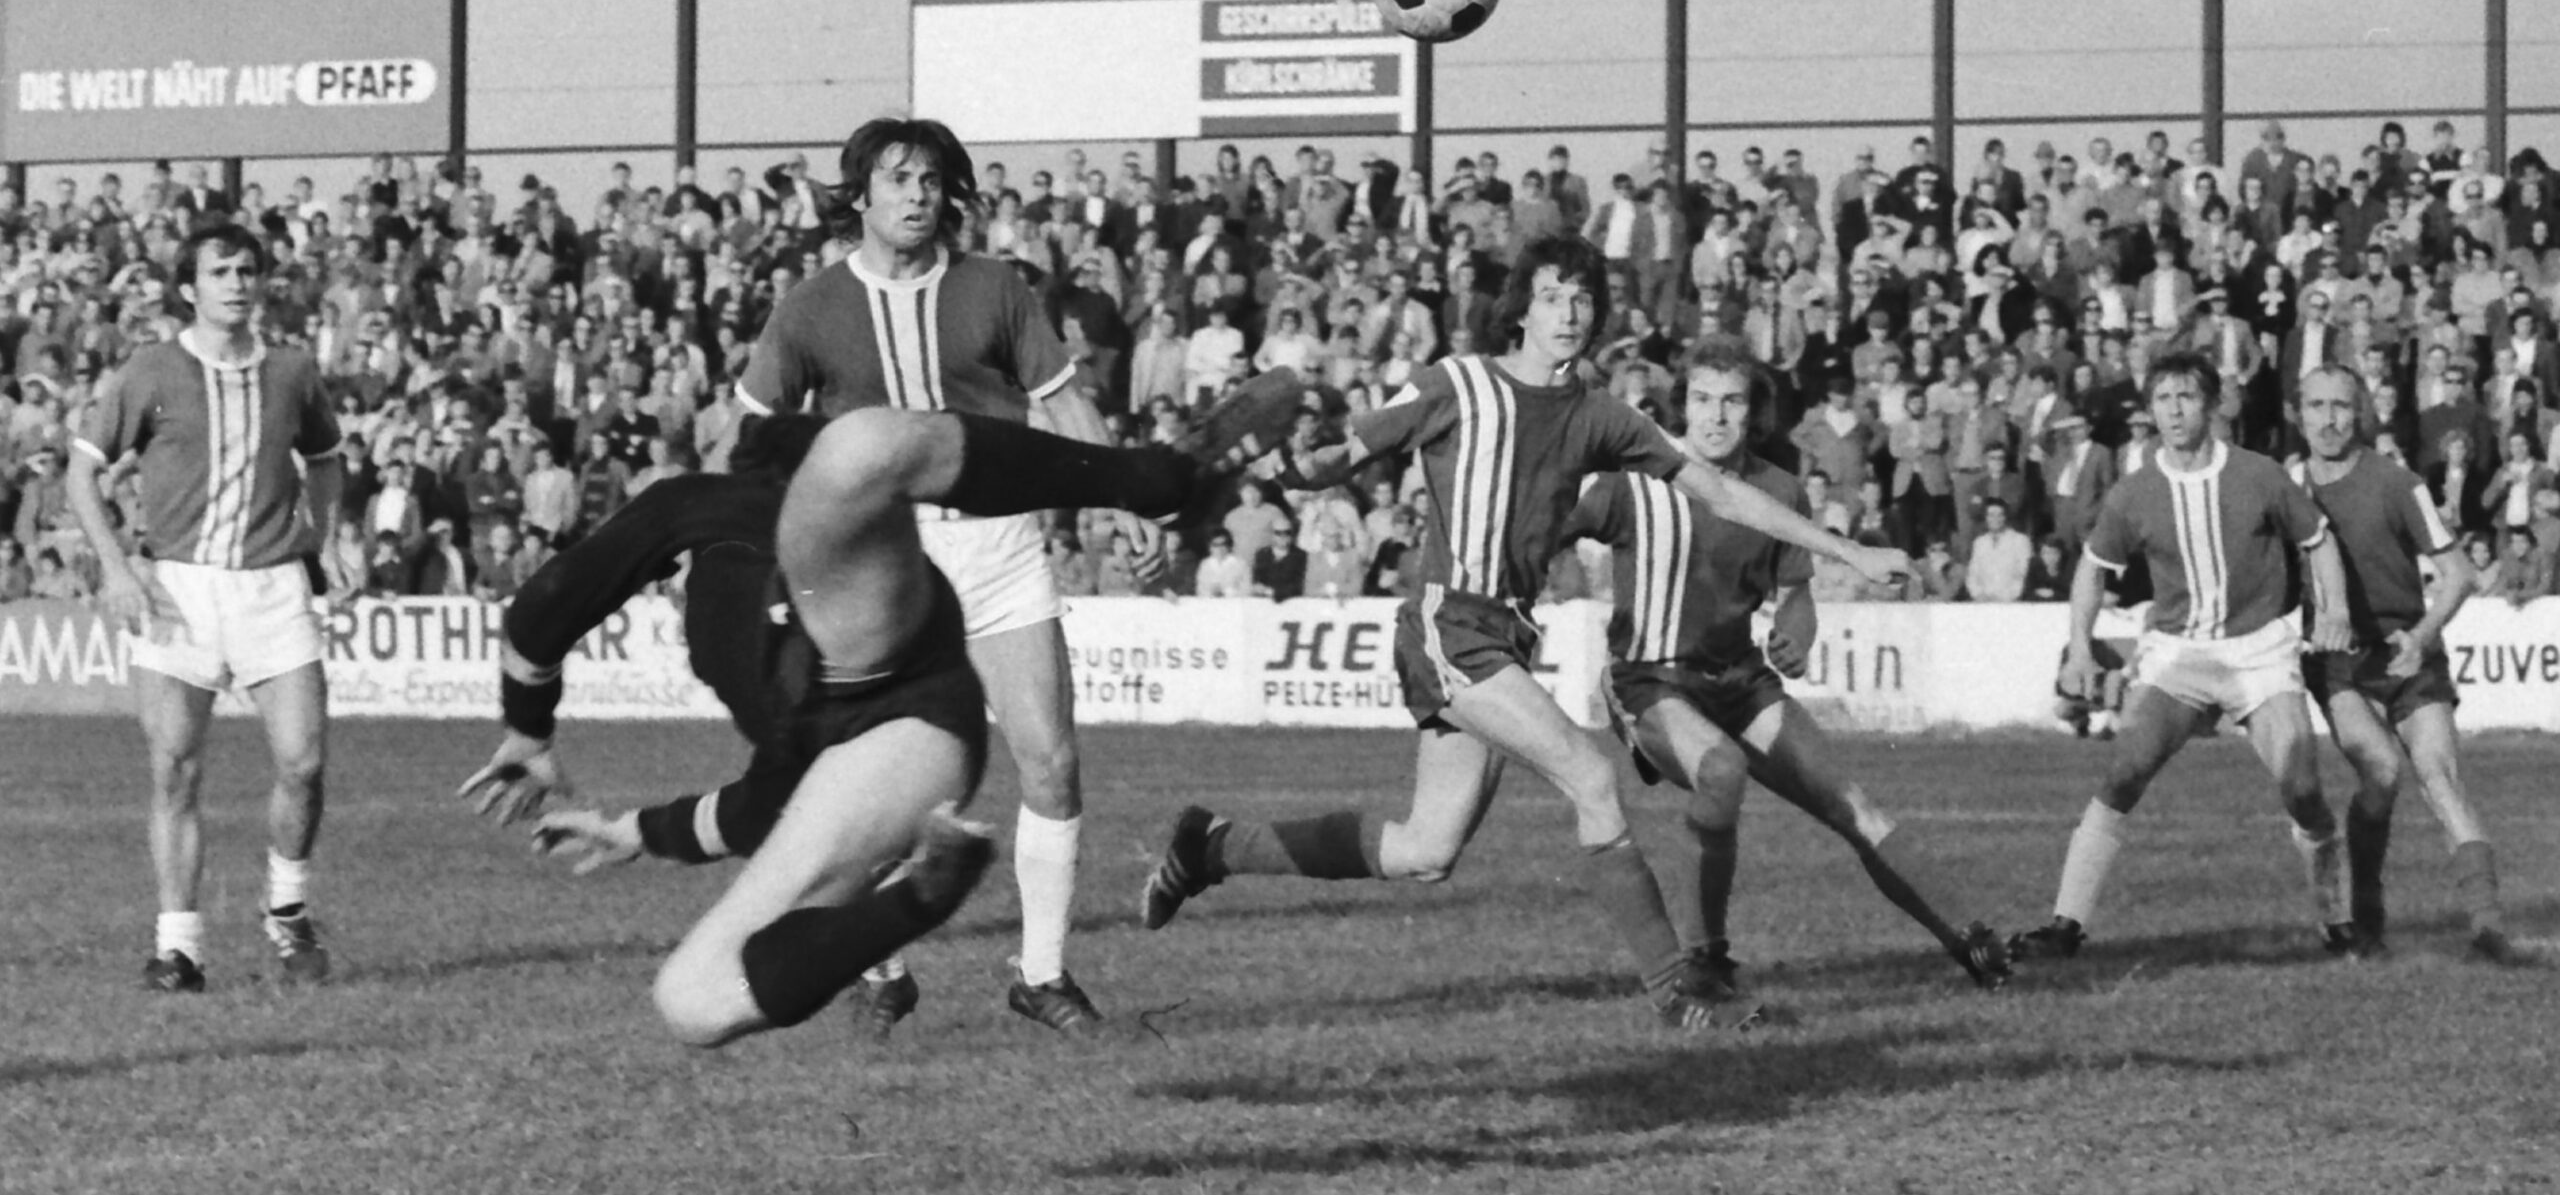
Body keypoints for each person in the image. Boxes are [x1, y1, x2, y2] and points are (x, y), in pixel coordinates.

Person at [1137, 236, 1913, 1030]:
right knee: (1591, 774)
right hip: (1448, 622)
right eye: (1551, 295)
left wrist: (1848, 550)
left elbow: (1718, 488)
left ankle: (1213, 845)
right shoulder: (1457, 383)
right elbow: (1341, 455)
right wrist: (1222, 492)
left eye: (1582, 298)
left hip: (1502, 634)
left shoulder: (1602, 414)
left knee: (1424, 850)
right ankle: (1678, 993)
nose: (1570, 312)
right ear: (1522, 307)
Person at [485, 398, 1289, 1050]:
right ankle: (922, 890)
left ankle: (1152, 476)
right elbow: (773, 805)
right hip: (910, 739)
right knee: (692, 999)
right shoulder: (751, 623)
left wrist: (528, 728)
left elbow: (547, 603)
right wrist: (637, 830)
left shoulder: (705, 507)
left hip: (864, 648)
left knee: (861, 447)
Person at [733, 116, 1164, 1034]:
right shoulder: (811, 306)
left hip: (998, 546)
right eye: (898, 178)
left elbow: (1063, 404)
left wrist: (1125, 496)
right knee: (888, 785)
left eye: (931, 179)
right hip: (881, 566)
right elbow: (749, 430)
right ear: (861, 195)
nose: (918, 194)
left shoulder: (993, 288)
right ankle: (882, 968)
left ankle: (1041, 974)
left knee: (1050, 761)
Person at [1559, 340, 2009, 994]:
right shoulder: (1635, 480)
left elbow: (1796, 594)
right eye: (1703, 400)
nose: (1716, 417)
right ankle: (1706, 959)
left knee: (1852, 805)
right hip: (1650, 681)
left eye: (1732, 401)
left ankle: (1972, 942)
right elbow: (1549, 524)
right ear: (1683, 406)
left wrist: (1795, 637)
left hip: (1740, 682)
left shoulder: (1779, 490)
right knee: (1721, 768)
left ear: (1754, 411)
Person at [64, 226, 345, 993]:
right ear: (190, 286)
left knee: (304, 758)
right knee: (176, 770)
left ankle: (286, 908)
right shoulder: (152, 369)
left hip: (273, 585)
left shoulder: (290, 370)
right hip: (178, 591)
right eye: (219, 270)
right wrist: (118, 569)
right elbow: (81, 477)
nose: (237, 281)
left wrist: (329, 537)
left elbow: (325, 457)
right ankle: (178, 947)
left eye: (248, 269)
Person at [2009, 352, 2356, 961]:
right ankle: (2065, 925)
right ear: (2150, 409)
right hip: (2178, 654)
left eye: (2187, 397)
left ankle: (2337, 920)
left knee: (2302, 788)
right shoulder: (2135, 491)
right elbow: (2092, 571)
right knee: (2124, 772)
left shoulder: (2260, 475)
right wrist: (2080, 649)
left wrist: (2333, 611)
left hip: (2260, 651)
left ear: (2213, 404)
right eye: (2163, 398)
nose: (2174, 410)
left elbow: (2318, 541)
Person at [2290, 367, 2518, 962]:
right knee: (2382, 773)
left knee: (2441, 778)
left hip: (2408, 654)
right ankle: (2366, 916)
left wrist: (2421, 636)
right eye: (2316, 405)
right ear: (2298, 413)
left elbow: (2459, 575)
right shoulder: (2285, 487)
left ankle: (2489, 928)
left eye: (2341, 405)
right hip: (2339, 664)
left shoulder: (2397, 482)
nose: (2329, 418)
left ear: (2361, 411)